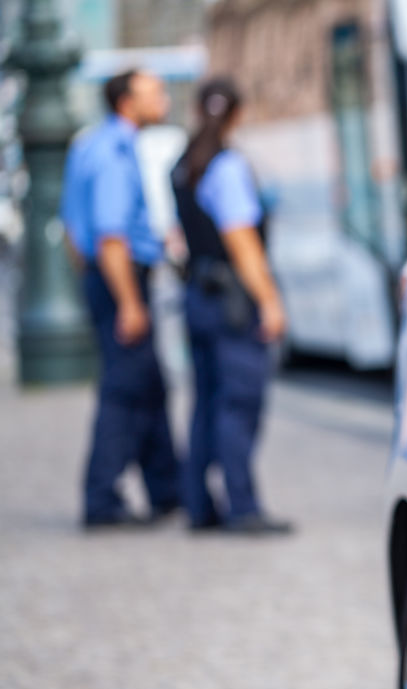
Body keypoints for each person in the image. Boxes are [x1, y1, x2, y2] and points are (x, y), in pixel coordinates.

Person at [61, 69, 182, 528]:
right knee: (124, 390)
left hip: (106, 279)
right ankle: (102, 499)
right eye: (155, 93)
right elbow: (111, 237)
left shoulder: (90, 145)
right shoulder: (113, 153)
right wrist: (128, 301)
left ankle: (167, 488)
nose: (164, 100)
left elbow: (76, 235)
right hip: (122, 280)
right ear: (127, 103)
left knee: (148, 385)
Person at [171, 77, 291, 535]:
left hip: (198, 296)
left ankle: (199, 506)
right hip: (233, 303)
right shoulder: (227, 167)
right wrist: (271, 302)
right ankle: (243, 507)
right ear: (237, 114)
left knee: (205, 404)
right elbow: (243, 244)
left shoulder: (184, 165)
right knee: (238, 405)